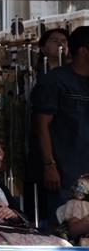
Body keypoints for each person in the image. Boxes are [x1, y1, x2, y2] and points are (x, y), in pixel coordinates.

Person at [32, 25, 89, 218]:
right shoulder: (55, 81)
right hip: (65, 173)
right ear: (83, 51)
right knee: (65, 228)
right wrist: (49, 165)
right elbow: (42, 125)